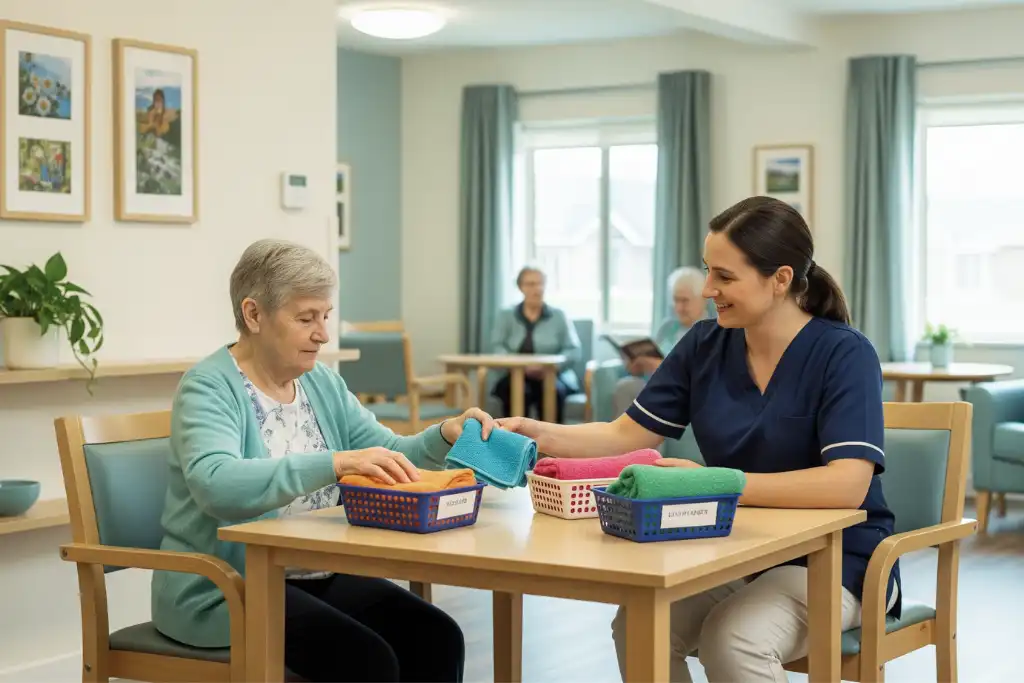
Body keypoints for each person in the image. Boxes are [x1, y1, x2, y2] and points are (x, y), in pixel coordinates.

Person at [495, 196, 900, 683]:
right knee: (639, 626)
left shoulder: (844, 354)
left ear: (782, 279)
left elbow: (845, 486)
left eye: (725, 277)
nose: (708, 289)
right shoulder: (705, 344)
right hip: (741, 548)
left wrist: (715, 482)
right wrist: (533, 431)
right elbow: (624, 433)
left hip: (835, 560)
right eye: (709, 272)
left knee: (734, 638)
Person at [153, 238, 495, 682]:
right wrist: (333, 463)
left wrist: (445, 434)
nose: (323, 333)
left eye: (325, 316)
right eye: (306, 318)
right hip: (224, 588)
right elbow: (215, 482)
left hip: (308, 573)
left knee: (436, 635)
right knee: (364, 660)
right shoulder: (209, 387)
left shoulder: (322, 384)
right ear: (254, 314)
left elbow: (387, 454)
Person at [490, 265, 582, 423]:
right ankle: (514, 443)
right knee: (515, 392)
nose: (537, 289)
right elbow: (497, 346)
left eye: (540, 283)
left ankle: (553, 445)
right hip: (515, 374)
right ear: (521, 287)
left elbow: (573, 350)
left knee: (553, 392)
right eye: (531, 284)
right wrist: (519, 366)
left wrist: (551, 367)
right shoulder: (506, 315)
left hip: (552, 375)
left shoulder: (559, 315)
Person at [611, 266, 708, 415]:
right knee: (627, 385)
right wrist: (639, 366)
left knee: (629, 388)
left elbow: (704, 376)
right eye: (676, 300)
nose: (679, 307)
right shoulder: (667, 327)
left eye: (685, 301)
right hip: (654, 384)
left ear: (703, 299)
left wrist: (663, 368)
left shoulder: (712, 331)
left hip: (683, 392)